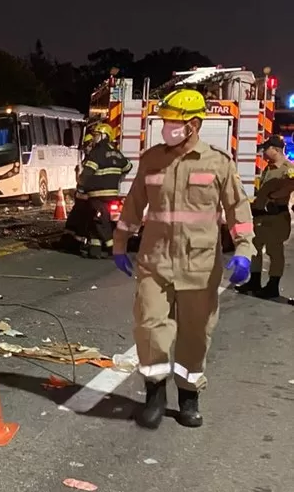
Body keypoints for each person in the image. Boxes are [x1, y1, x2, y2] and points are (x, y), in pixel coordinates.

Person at [112, 88, 255, 430]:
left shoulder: (218, 162)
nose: (166, 127)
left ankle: (189, 396)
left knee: (195, 334)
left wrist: (244, 251)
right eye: (164, 121)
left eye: (173, 122)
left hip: (200, 266)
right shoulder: (151, 159)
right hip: (155, 261)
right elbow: (133, 205)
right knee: (149, 328)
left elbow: (238, 210)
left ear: (193, 124)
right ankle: (155, 393)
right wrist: (120, 242)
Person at [236, 135, 294, 298]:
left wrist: (274, 197)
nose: (263, 153)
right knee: (255, 249)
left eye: (266, 149)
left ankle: (272, 285)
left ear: (275, 149)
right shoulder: (269, 168)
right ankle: (254, 281)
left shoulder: (287, 168)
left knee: (274, 251)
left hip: (276, 217)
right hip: (262, 217)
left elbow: (291, 185)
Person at [78, 123, 131, 258]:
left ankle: (113, 248)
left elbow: (87, 173)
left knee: (101, 222)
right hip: (112, 194)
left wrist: (80, 187)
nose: (94, 138)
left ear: (104, 136)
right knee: (96, 220)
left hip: (97, 194)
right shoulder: (116, 152)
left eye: (96, 135)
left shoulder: (97, 153)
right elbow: (128, 166)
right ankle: (94, 250)